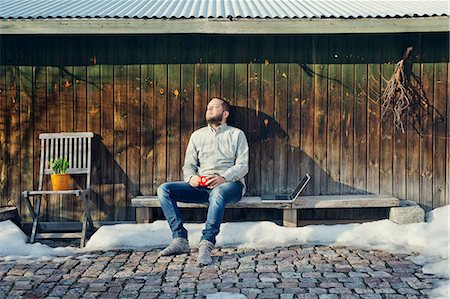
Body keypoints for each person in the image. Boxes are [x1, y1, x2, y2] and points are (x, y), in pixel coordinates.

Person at [157, 97, 249, 266]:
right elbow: (189, 166)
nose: (209, 110)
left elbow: (243, 166)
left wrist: (224, 178)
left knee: (218, 192)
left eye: (214, 108)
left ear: (225, 113)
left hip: (230, 186)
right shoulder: (197, 136)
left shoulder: (237, 134)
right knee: (164, 189)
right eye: (208, 108)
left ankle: (206, 244)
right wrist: (192, 178)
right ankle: (180, 239)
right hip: (202, 186)